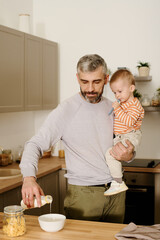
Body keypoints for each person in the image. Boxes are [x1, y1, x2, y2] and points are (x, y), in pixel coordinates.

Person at [20, 54, 134, 223]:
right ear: (77, 78)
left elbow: (126, 147)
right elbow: (35, 144)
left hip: (117, 191)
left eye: (96, 82)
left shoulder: (113, 107)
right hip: (84, 195)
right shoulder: (66, 110)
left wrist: (129, 155)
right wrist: (29, 178)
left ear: (106, 78)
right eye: (84, 82)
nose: (90, 89)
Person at [104, 69, 144, 196]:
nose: (117, 95)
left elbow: (129, 122)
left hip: (130, 135)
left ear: (131, 88)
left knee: (110, 154)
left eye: (120, 91)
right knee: (111, 154)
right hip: (122, 136)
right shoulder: (125, 104)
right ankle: (117, 181)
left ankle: (118, 182)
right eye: (114, 92)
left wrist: (117, 109)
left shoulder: (135, 105)